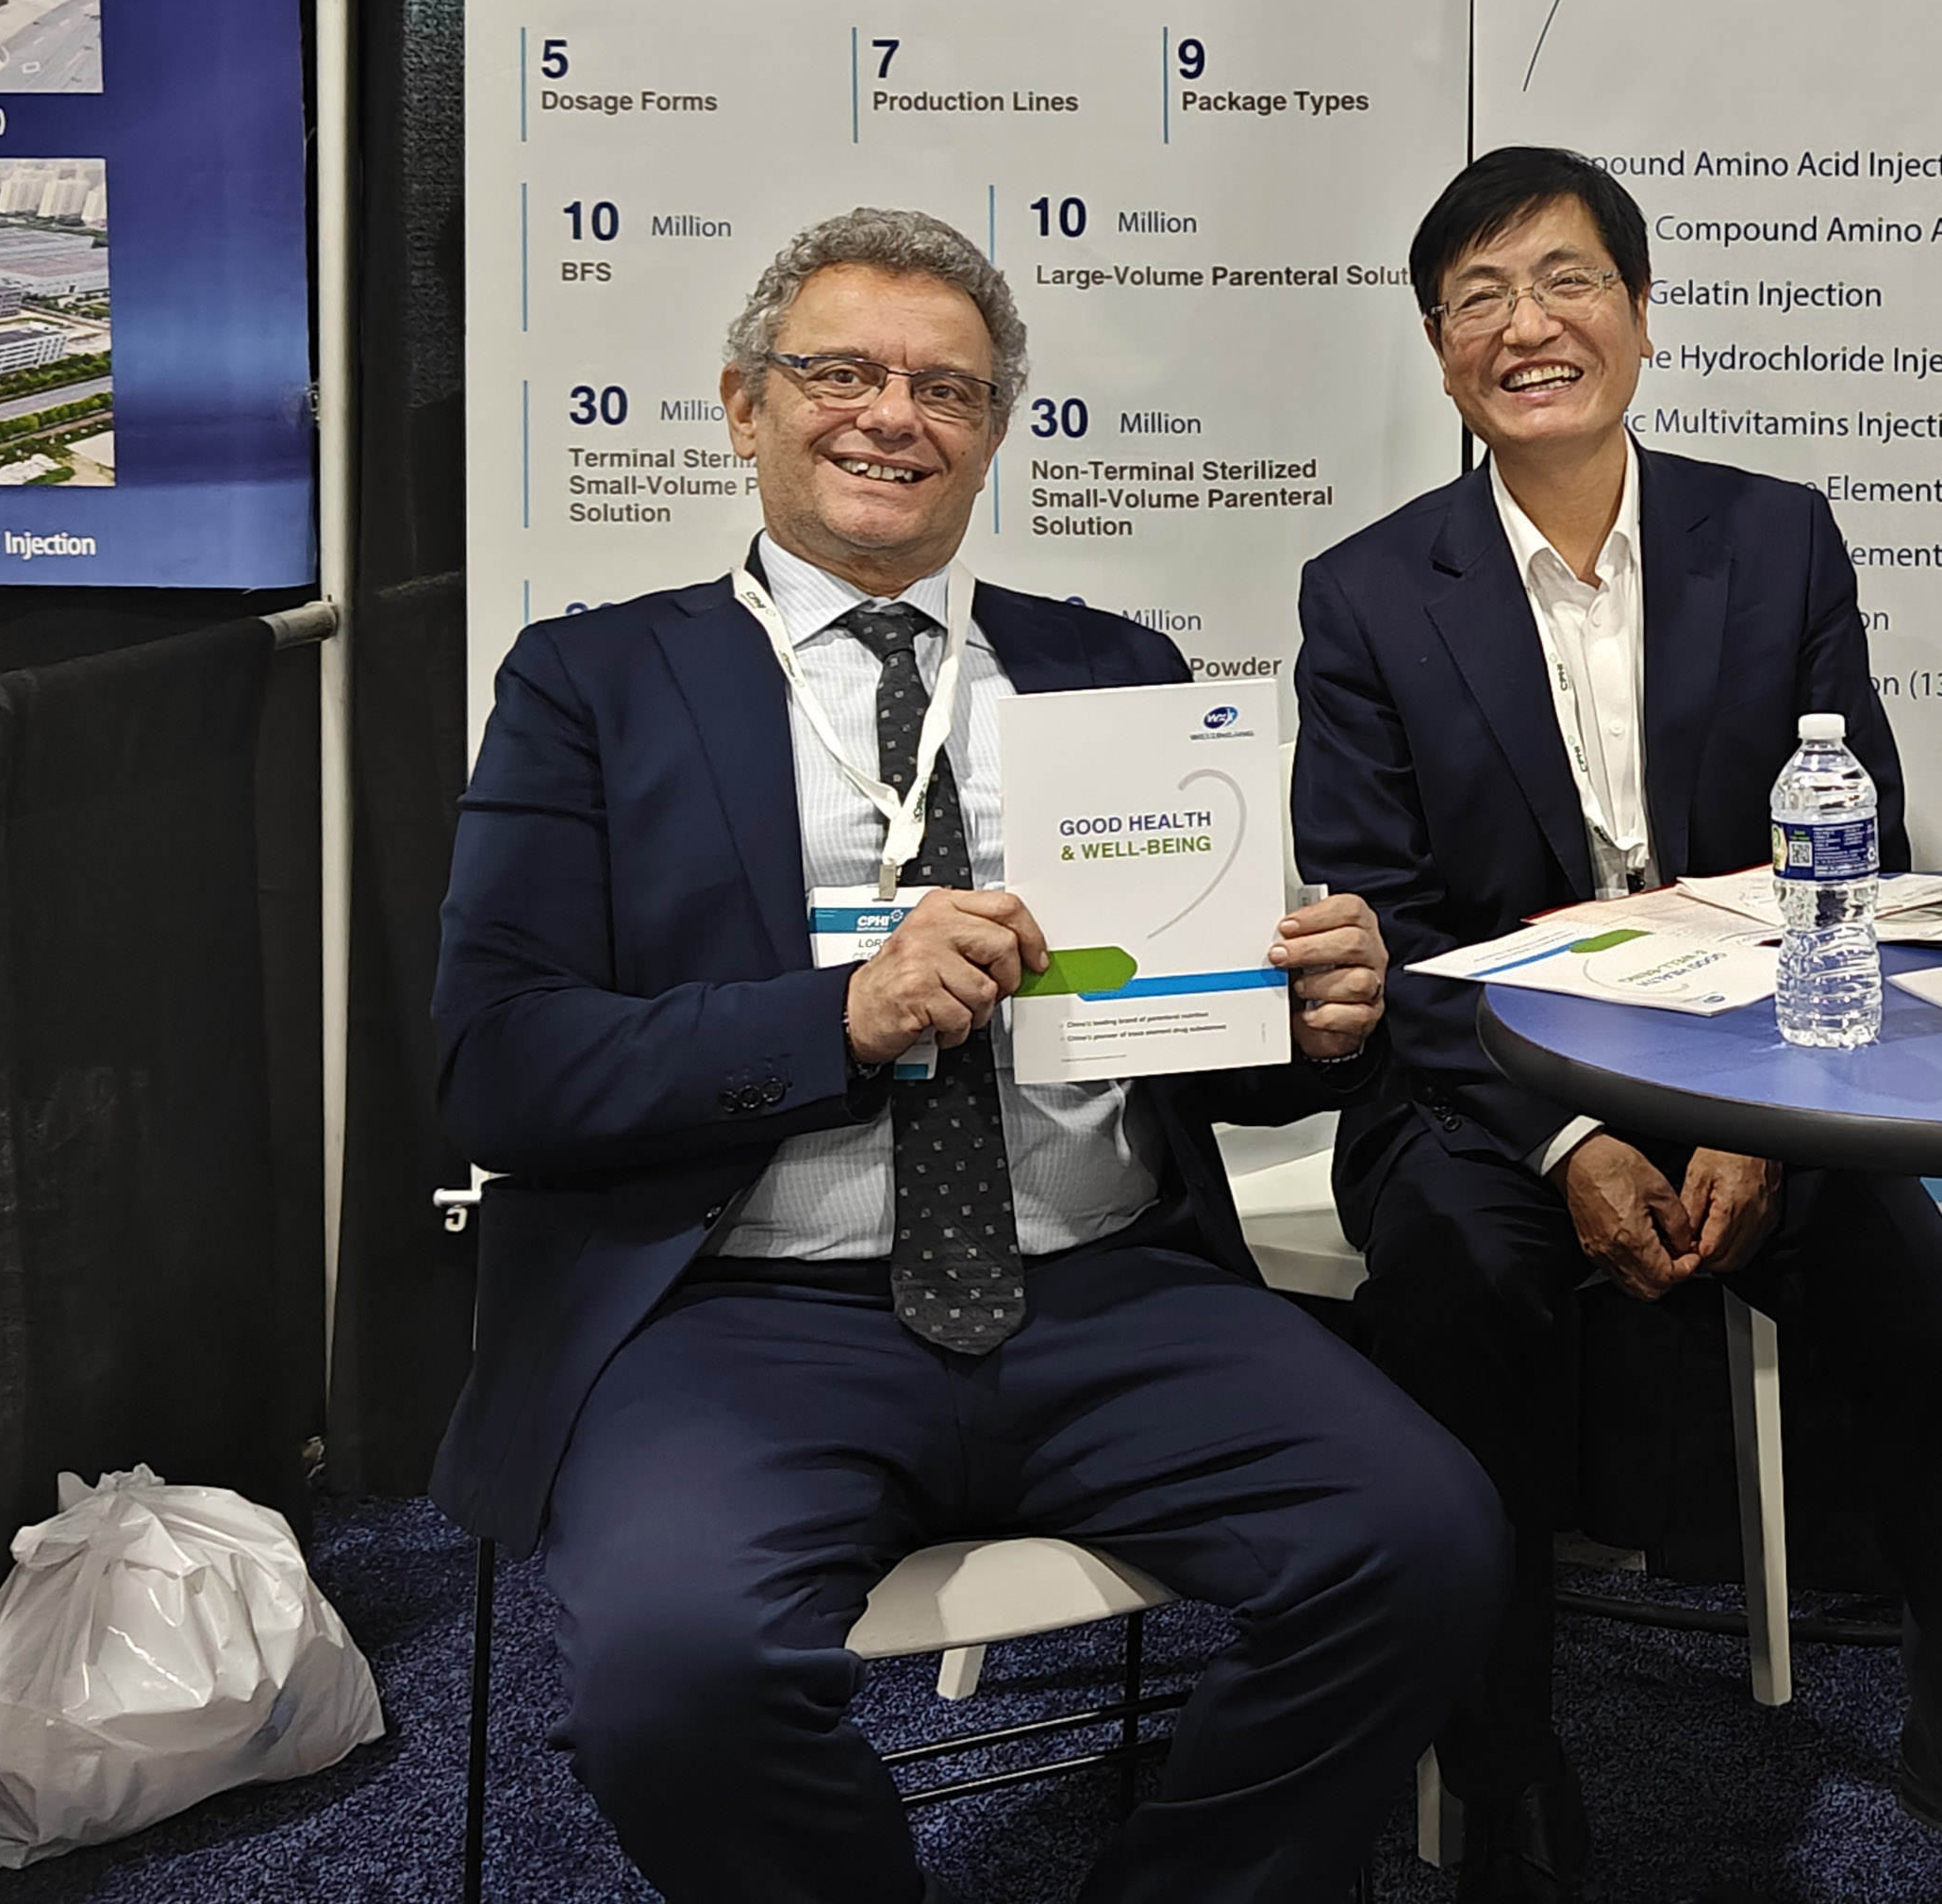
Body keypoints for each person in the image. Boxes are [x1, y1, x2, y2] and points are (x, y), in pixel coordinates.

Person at [431, 207, 1507, 1904]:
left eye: (947, 387)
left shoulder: (1112, 675)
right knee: (675, 1678)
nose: (893, 415)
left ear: (995, 432)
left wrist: (1313, 1023)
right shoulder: (595, 681)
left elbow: (1199, 1050)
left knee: (1429, 1544)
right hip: (740, 1315)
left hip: (1108, 1288)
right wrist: (837, 1017)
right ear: (745, 404)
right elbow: (500, 1063)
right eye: (841, 373)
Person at [1291, 147, 1942, 1902]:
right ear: (1440, 352)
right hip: (1480, 1096)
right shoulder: (1369, 594)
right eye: (1478, 298)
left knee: (1931, 1317)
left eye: (1566, 281)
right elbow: (1397, 932)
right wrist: (1570, 1138)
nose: (1527, 326)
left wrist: (1755, 1124)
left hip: (1757, 1073)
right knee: (1454, 1297)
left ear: (1636, 310)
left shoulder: (1773, 538)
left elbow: (1844, 860)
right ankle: (1503, 1772)